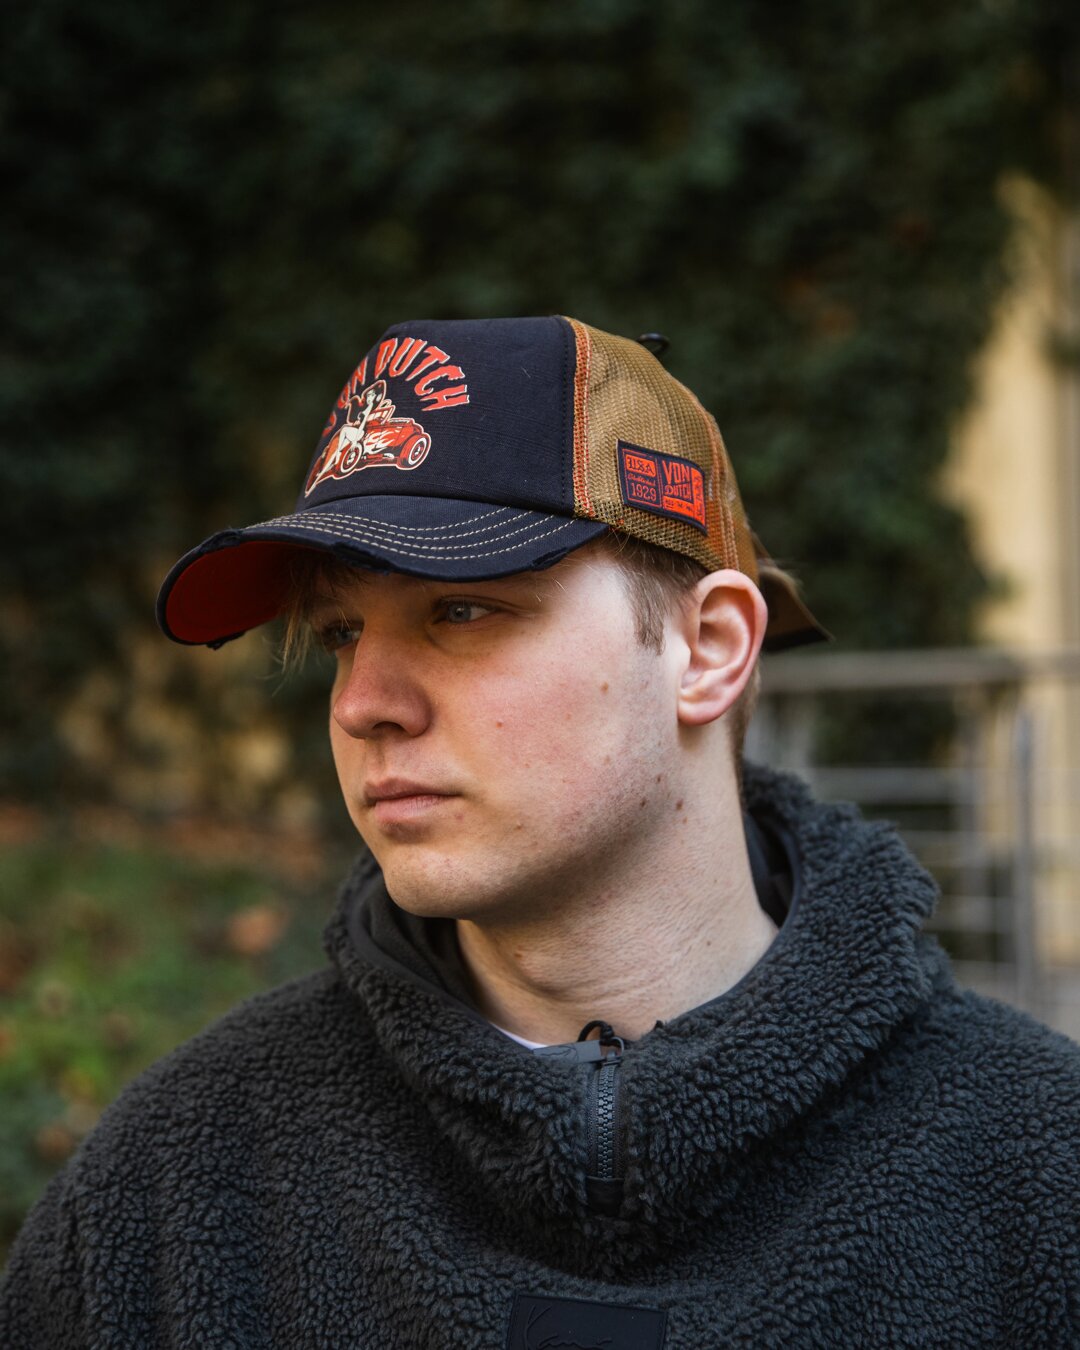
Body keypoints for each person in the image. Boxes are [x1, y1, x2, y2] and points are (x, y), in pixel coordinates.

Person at [2, 316, 1077, 1349]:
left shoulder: (1039, 1177)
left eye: (461, 609)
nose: (362, 703)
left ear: (708, 649)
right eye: (339, 632)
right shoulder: (176, 1184)